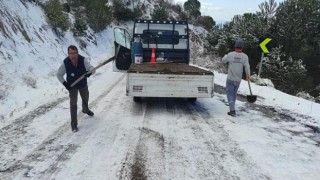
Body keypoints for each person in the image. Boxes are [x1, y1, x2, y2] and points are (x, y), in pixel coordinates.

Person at [57, 45, 95, 132]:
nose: (73, 55)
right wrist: (65, 84)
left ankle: (85, 109)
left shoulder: (83, 60)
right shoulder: (65, 63)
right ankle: (74, 125)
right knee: (73, 104)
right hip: (72, 85)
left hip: (82, 83)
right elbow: (59, 75)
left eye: (75, 53)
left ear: (77, 53)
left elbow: (92, 68)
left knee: (85, 98)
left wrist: (90, 71)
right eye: (71, 53)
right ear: (68, 54)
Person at [222, 39, 250, 117]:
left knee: (229, 94)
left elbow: (223, 60)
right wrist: (248, 75)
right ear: (242, 47)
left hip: (230, 78)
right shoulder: (245, 56)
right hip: (238, 79)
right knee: (234, 94)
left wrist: (225, 55)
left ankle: (232, 110)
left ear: (235, 46)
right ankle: (232, 107)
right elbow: (247, 67)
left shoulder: (231, 54)